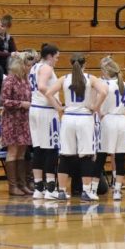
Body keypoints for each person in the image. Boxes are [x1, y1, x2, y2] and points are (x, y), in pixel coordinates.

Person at [45, 53, 108, 204]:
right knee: (86, 155)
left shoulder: (64, 78)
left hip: (68, 118)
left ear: (70, 63)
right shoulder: (91, 78)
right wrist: (95, 107)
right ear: (85, 64)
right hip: (85, 118)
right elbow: (104, 92)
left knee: (66, 155)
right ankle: (86, 192)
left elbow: (48, 93)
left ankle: (61, 191)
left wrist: (59, 108)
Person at [96, 57, 125, 201]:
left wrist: (100, 114)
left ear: (105, 71)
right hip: (122, 121)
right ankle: (117, 190)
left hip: (108, 120)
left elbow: (96, 103)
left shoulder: (104, 85)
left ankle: (91, 188)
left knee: (101, 156)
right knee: (120, 157)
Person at [28, 43, 62, 202]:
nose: (57, 60)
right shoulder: (46, 68)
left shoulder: (34, 67)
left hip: (34, 109)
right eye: (56, 57)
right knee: (51, 149)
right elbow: (42, 87)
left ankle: (38, 188)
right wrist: (55, 103)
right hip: (46, 111)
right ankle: (50, 188)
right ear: (49, 56)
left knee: (38, 148)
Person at [0, 52, 33, 196]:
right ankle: (13, 186)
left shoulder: (25, 80)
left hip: (24, 120)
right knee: (13, 152)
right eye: (28, 66)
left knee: (22, 153)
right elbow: (4, 101)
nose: (30, 68)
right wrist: (21, 104)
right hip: (12, 120)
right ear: (21, 65)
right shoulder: (10, 80)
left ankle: (22, 184)